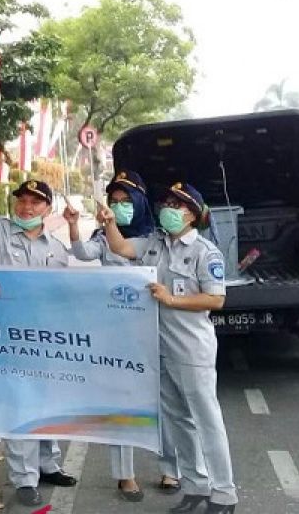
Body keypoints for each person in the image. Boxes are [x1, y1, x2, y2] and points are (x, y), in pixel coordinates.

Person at [102, 181, 236, 514]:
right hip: (158, 348)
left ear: (192, 213)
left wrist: (171, 298)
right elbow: (119, 248)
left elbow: (216, 298)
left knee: (207, 421)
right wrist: (107, 222)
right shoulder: (153, 243)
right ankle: (195, 488)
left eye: (177, 206)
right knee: (179, 422)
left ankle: (224, 494)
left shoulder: (205, 252)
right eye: (167, 204)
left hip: (191, 350)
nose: (168, 210)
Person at [0, 153, 78, 509]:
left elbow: (62, 295)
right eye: (22, 201)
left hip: (46, 338)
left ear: (46, 208)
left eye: (35, 202)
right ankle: (23, 479)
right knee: (20, 406)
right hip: (9, 339)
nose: (26, 207)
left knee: (48, 404)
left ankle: (48, 464)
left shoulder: (57, 249)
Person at [67, 170, 184, 503]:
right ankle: (125, 476)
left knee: (164, 403)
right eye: (114, 201)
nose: (119, 207)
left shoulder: (158, 238)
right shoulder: (104, 236)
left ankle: (170, 467)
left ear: (140, 202)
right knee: (123, 405)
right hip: (117, 333)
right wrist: (76, 224)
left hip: (157, 330)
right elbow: (82, 253)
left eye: (126, 201)